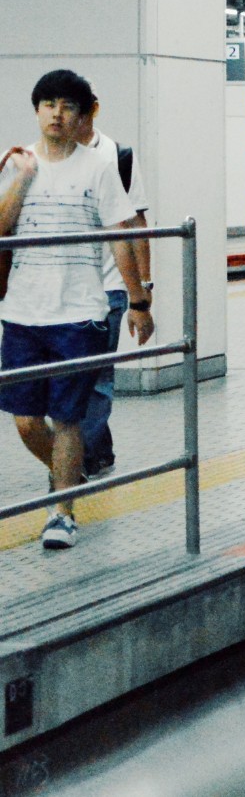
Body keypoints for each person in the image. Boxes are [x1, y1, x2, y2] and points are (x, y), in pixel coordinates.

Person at [0, 71, 153, 550]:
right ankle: (72, 476)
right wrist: (22, 181)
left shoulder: (99, 166)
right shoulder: (16, 163)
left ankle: (62, 512)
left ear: (82, 114)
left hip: (80, 312)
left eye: (67, 106)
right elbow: (1, 228)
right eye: (48, 104)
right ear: (37, 110)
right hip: (23, 312)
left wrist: (139, 301)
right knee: (25, 420)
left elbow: (122, 236)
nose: (56, 113)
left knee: (68, 419)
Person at [73, 99, 149, 480]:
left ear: (94, 111)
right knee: (71, 377)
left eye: (76, 109)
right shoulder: (45, 161)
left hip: (110, 289)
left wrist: (143, 294)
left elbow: (137, 225)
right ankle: (98, 449)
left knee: (98, 377)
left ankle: (80, 458)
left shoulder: (118, 156)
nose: (67, 117)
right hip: (64, 293)